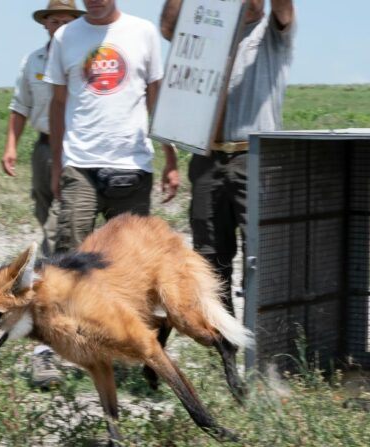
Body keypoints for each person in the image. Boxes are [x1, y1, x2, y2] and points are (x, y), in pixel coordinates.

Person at [159, 0, 295, 314]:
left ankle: (262, 338)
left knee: (261, 250)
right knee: (209, 254)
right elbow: (168, 27)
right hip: (208, 158)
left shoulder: (273, 30)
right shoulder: (209, 29)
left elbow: (284, 9)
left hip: (255, 157)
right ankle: (224, 337)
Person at [43, 0, 179, 254]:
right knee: (70, 260)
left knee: (133, 261)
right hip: (79, 166)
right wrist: (56, 167)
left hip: (132, 165)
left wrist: (170, 159)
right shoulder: (65, 36)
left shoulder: (143, 31)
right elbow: (58, 104)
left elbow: (155, 101)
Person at [1, 0, 85, 389]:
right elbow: (20, 106)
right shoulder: (32, 60)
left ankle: (54, 337)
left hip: (84, 151)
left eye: (67, 18)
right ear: (45, 24)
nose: (59, 24)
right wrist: (11, 146)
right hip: (46, 147)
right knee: (50, 228)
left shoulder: (90, 55)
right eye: (53, 18)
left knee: (63, 238)